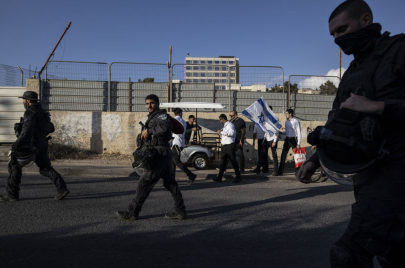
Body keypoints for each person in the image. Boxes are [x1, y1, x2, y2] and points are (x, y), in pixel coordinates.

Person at [297, 1, 405, 267]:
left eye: (342, 29)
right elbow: (337, 122)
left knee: (348, 253)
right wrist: (314, 159)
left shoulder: (399, 50)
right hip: (368, 173)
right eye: (333, 34)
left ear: (365, 20)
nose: (337, 39)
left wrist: (378, 106)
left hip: (397, 171)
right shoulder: (353, 71)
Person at [117, 94, 186, 220]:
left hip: (158, 154)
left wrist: (149, 131)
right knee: (170, 184)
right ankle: (180, 211)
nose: (149, 106)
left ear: (158, 103)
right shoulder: (155, 116)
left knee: (144, 183)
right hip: (163, 154)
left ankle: (132, 212)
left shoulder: (161, 115)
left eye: (152, 103)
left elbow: (165, 127)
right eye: (147, 103)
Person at [0, 91, 69, 202]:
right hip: (42, 143)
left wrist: (18, 143)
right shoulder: (42, 111)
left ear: (28, 101)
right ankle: (62, 189)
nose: (23, 102)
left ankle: (12, 195)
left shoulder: (30, 112)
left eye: (23, 100)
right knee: (45, 168)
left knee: (15, 165)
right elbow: (50, 128)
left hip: (31, 144)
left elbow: (28, 129)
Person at [171, 108, 197, 185]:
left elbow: (172, 131)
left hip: (176, 143)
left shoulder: (174, 120)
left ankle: (191, 175)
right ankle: (171, 178)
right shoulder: (183, 121)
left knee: (177, 162)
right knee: (172, 162)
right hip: (179, 143)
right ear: (180, 113)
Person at [213, 114, 241, 183]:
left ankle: (238, 176)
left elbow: (231, 133)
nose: (219, 122)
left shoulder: (230, 125)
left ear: (222, 120)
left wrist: (221, 132)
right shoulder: (226, 125)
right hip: (225, 146)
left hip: (229, 146)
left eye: (220, 120)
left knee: (233, 161)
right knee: (222, 162)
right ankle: (219, 177)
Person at [252, 106, 279, 175]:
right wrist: (264, 139)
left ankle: (276, 170)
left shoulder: (274, 119)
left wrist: (275, 141)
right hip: (267, 139)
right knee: (261, 154)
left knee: (274, 155)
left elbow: (277, 131)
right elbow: (266, 131)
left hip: (273, 139)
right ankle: (258, 169)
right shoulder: (265, 119)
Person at [278, 109, 301, 175]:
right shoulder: (286, 122)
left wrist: (298, 143)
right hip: (287, 139)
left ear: (290, 114)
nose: (286, 115)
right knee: (283, 155)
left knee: (296, 156)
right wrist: (282, 133)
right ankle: (280, 171)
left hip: (294, 139)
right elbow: (287, 131)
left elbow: (299, 133)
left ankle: (298, 171)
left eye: (287, 113)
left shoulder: (296, 121)